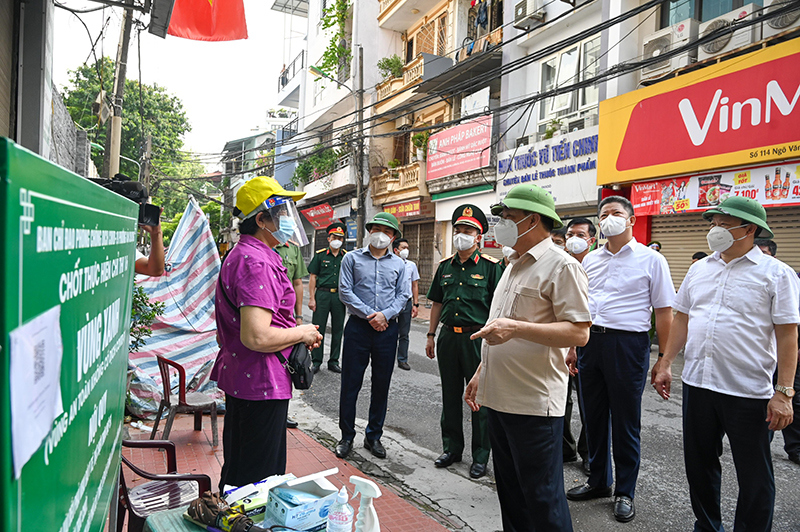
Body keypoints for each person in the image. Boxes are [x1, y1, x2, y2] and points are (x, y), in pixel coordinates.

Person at [652, 196, 799, 531]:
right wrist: (666, 363)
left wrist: (784, 392)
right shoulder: (699, 269)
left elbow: (788, 336)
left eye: (723, 223)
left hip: (748, 391)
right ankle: (706, 525)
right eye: (713, 223)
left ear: (749, 228)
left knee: (754, 473)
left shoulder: (776, 274)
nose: (714, 229)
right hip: (698, 385)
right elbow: (682, 319)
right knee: (699, 465)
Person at [464, 185, 592, 531]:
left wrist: (517, 329)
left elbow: (579, 332)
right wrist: (480, 371)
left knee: (542, 500)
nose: (500, 224)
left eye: (507, 217)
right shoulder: (512, 265)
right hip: (500, 397)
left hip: (534, 404)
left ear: (532, 220)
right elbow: (498, 328)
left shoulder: (561, 266)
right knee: (512, 497)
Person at [566, 195, 675, 523]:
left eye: (616, 213)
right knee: (593, 417)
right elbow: (581, 307)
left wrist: (664, 359)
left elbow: (665, 311)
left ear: (630, 220)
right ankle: (599, 480)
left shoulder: (650, 260)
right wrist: (573, 346)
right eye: (604, 214)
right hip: (590, 344)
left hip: (628, 345)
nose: (608, 218)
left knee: (626, 422)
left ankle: (625, 491)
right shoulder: (590, 260)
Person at [211, 176, 322, 491]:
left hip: (248, 379)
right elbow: (256, 336)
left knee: (241, 469)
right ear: (261, 219)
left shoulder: (248, 254)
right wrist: (300, 333)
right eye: (282, 212)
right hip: (258, 383)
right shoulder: (255, 262)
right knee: (257, 481)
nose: (289, 219)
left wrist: (298, 331)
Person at [426, 204, 504, 480]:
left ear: (479, 236)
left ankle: (481, 456)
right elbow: (436, 303)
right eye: (458, 230)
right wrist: (431, 334)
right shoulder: (445, 267)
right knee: (450, 396)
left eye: (468, 230)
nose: (461, 235)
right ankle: (451, 449)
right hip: (448, 336)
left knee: (479, 399)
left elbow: (499, 308)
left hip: (477, 339)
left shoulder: (492, 268)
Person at [335, 212, 410, 460]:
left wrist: (384, 316)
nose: (381, 235)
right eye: (377, 229)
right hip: (358, 328)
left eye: (387, 232)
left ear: (393, 237)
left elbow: (403, 296)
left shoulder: (400, 265)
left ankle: (373, 436)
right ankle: (346, 436)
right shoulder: (352, 259)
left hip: (387, 331)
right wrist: (372, 315)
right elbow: (345, 292)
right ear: (369, 231)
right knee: (350, 383)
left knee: (381, 385)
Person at [563, 217, 597, 475]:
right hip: (557, 341)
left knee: (589, 403)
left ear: (591, 240)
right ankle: (565, 448)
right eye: (570, 233)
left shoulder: (598, 266)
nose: (574, 238)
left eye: (580, 234)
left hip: (586, 342)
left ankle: (589, 453)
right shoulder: (559, 264)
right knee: (560, 399)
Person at [274, 235, 309, 429]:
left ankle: (283, 410)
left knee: (287, 364)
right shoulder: (265, 246)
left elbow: (297, 284)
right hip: (266, 312)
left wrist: (299, 316)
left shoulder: (293, 249)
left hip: (286, 316)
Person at [308, 222, 348, 374]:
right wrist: (312, 298)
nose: (337, 239)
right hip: (322, 295)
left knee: (338, 329)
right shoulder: (320, 255)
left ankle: (334, 361)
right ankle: (316, 361)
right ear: (329, 238)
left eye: (340, 237)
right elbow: (313, 277)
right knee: (319, 328)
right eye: (334, 237)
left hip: (339, 296)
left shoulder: (346, 256)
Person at [392, 238, 420, 371]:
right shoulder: (389, 263)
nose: (406, 250)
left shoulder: (411, 265)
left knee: (404, 333)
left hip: (406, 302)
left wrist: (416, 304)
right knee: (389, 331)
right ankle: (387, 356)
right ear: (395, 250)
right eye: (403, 248)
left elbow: (414, 285)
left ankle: (402, 359)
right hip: (391, 302)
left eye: (407, 248)